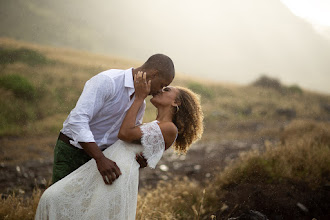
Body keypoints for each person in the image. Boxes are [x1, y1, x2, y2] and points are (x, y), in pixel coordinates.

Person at [35, 71, 204, 220]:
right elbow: (136, 148)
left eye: (167, 89)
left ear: (176, 103)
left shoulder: (169, 128)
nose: (161, 89)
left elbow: (124, 133)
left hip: (115, 173)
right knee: (56, 199)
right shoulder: (158, 124)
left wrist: (138, 98)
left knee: (63, 202)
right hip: (112, 168)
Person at [52, 54, 175, 185]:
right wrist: (99, 158)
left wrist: (137, 155)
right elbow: (77, 120)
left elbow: (126, 136)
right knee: (58, 201)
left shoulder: (140, 103)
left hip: (102, 158)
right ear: (154, 74)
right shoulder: (109, 81)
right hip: (72, 151)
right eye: (162, 85)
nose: (159, 90)